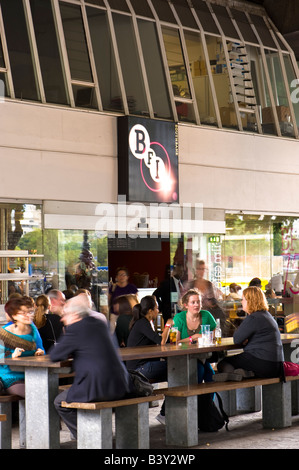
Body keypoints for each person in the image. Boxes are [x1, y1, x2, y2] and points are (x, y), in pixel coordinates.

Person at [50, 295, 135, 440]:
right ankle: (90, 434)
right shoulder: (99, 323)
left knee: (59, 402)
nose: (62, 319)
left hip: (96, 387)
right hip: (121, 384)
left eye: (65, 315)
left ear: (75, 315)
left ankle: (86, 437)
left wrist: (69, 343)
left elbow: (55, 355)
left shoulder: (75, 328)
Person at [215, 286, 284, 381]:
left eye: (243, 299)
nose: (241, 302)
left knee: (223, 363)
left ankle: (236, 374)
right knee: (240, 361)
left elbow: (237, 339)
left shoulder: (254, 318)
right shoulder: (267, 316)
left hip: (262, 363)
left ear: (250, 301)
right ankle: (244, 373)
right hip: (277, 366)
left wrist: (245, 339)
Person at [126, 295, 172, 424]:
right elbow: (161, 341)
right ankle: (165, 413)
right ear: (150, 311)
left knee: (177, 371)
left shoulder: (145, 323)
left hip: (142, 366)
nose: (158, 310)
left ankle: (166, 412)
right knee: (177, 370)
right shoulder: (142, 323)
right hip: (138, 370)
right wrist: (168, 324)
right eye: (157, 308)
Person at [0, 296, 45, 397]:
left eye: (30, 312)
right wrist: (12, 355)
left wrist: (40, 353)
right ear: (14, 316)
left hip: (31, 375)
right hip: (10, 377)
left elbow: (42, 350)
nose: (28, 315)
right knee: (36, 395)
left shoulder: (32, 329)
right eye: (23, 313)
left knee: (47, 392)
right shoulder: (3, 333)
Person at [172, 289, 216, 383]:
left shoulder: (206, 315)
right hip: (184, 357)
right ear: (186, 305)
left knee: (211, 375)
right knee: (199, 371)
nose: (196, 305)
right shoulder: (178, 318)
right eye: (193, 302)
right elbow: (174, 342)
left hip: (202, 355)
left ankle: (208, 398)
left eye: (198, 302)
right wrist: (194, 337)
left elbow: (215, 332)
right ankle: (197, 398)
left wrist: (210, 337)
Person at [189, 259, 227, 334]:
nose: (201, 271)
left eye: (203, 269)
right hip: (194, 316)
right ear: (195, 270)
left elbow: (216, 298)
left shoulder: (208, 284)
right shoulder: (190, 284)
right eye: (199, 269)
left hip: (208, 314)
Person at [109, 267, 138, 333]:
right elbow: (109, 300)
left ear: (127, 277)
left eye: (123, 275)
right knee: (112, 331)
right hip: (115, 313)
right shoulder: (113, 288)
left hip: (129, 315)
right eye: (119, 275)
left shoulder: (132, 288)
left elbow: (135, 300)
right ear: (116, 277)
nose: (121, 277)